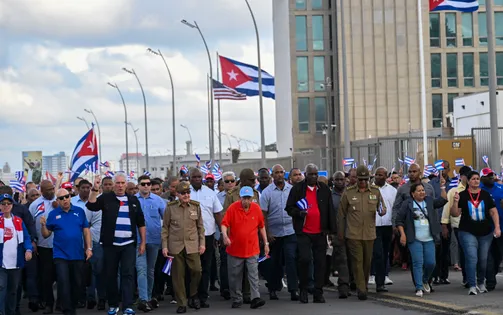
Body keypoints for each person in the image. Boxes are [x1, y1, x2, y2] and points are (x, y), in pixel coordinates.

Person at [86, 174, 146, 315]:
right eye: (117, 183)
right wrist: (95, 188)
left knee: (128, 275)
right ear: (113, 185)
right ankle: (113, 305)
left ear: (126, 184)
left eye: (122, 183)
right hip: (110, 245)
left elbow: (141, 223)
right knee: (111, 275)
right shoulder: (106, 198)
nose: (120, 185)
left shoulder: (133, 200)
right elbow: (91, 205)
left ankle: (128, 306)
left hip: (128, 244)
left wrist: (143, 242)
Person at [286, 164, 336, 304]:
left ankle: (318, 292)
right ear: (305, 175)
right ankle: (303, 289)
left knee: (320, 263)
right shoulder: (297, 189)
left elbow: (330, 209)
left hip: (320, 232)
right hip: (304, 232)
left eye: (315, 174)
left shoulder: (324, 189)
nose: (313, 177)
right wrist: (299, 213)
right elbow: (289, 208)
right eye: (310, 174)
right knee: (305, 260)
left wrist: (331, 231)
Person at [40, 189, 92, 315]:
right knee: (63, 282)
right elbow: (46, 235)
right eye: (61, 198)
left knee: (77, 283)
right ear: (57, 200)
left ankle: (72, 305)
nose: (65, 200)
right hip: (60, 255)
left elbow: (86, 231)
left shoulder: (79, 211)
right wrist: (43, 225)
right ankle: (68, 310)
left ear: (70, 197)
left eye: (67, 197)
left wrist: (89, 248)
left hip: (77, 254)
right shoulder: (53, 214)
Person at [339, 165, 386, 301]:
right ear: (356, 179)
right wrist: (341, 233)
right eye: (361, 179)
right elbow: (341, 214)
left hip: (369, 233)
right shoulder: (348, 192)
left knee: (367, 262)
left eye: (366, 179)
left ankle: (363, 284)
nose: (363, 182)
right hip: (353, 234)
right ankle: (361, 289)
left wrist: (383, 211)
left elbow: (382, 208)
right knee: (357, 262)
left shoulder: (376, 192)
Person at [451, 171, 501, 295]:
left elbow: (494, 212)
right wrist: (456, 201)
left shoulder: (485, 195)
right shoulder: (462, 195)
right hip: (467, 231)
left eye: (477, 179)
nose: (476, 181)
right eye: (473, 179)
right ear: (468, 181)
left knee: (483, 259)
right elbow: (455, 213)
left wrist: (497, 227)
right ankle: (472, 285)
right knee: (472, 258)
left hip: (485, 233)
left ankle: (481, 283)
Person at [161, 181, 205, 314]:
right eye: (183, 193)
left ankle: (193, 294)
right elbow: (165, 228)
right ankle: (182, 303)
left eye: (188, 192)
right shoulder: (170, 207)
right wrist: (164, 246)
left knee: (197, 270)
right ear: (177, 194)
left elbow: (200, 227)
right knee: (178, 276)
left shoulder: (195, 206)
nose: (186, 195)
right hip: (176, 246)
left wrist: (202, 243)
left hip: (192, 245)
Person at [396, 183, 446, 297]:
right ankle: (419, 287)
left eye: (423, 190)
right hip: (414, 238)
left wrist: (442, 187)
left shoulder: (429, 201)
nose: (422, 192)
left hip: (429, 238)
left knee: (431, 263)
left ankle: (425, 280)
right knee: (417, 263)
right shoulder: (407, 203)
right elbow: (399, 220)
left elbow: (443, 200)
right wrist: (403, 234)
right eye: (419, 191)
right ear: (413, 194)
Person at [221, 186, 267, 309]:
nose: (246, 201)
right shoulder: (233, 208)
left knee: (253, 274)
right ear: (240, 198)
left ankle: (255, 298)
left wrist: (266, 243)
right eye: (244, 198)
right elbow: (224, 224)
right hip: (235, 249)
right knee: (235, 275)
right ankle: (237, 298)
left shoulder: (256, 208)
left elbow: (261, 226)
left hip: (252, 248)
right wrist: (225, 236)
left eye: (248, 198)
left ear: (252, 198)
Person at [260, 164, 298, 301]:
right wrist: (267, 233)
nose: (279, 175)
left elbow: (296, 210)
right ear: (272, 175)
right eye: (276, 172)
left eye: (282, 172)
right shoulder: (267, 193)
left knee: (291, 259)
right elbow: (263, 215)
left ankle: (293, 290)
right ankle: (273, 289)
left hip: (290, 231)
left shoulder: (292, 190)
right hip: (274, 233)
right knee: (273, 262)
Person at [189, 169, 223, 308]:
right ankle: (192, 295)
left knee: (206, 267)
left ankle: (203, 296)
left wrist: (222, 232)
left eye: (199, 177)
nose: (197, 179)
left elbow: (217, 213)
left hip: (208, 235)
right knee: (192, 268)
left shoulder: (210, 193)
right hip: (190, 237)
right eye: (194, 177)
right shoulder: (186, 192)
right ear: (190, 178)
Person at [135, 175, 166, 312]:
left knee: (150, 270)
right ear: (138, 186)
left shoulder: (158, 200)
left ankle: (147, 297)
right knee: (141, 269)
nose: (146, 186)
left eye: (148, 184)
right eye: (143, 184)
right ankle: (143, 299)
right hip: (137, 240)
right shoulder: (133, 200)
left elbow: (166, 219)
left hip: (154, 240)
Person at [0, 194, 33, 315]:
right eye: (3, 204)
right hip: (1, 262)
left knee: (13, 290)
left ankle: (11, 312)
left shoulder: (18, 221)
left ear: (12, 205)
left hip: (15, 262)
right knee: (1, 287)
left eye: (8, 203)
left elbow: (26, 237)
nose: (6, 206)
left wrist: (28, 250)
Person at [370, 167, 397, 292]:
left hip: (387, 226)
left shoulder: (392, 191)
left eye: (381, 175)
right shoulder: (369, 189)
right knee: (377, 253)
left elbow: (394, 210)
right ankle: (377, 280)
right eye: (377, 175)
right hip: (373, 226)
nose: (378, 177)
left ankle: (382, 280)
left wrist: (394, 227)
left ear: (386, 176)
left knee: (385, 253)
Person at [330, 171, 351, 298]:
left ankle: (354, 282)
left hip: (352, 231)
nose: (339, 182)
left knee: (353, 259)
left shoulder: (351, 193)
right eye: (336, 180)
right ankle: (343, 286)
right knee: (342, 260)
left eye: (341, 179)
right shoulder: (329, 196)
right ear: (333, 181)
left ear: (345, 180)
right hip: (337, 233)